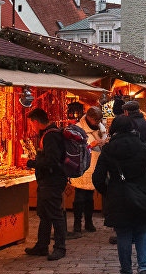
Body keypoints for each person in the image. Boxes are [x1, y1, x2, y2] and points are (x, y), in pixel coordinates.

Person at [94, 115, 146, 274]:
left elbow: (98, 177)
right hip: (141, 193)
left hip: (118, 196)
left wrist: (107, 192)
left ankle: (126, 273)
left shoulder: (109, 149)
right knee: (142, 231)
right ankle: (144, 267)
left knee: (123, 234)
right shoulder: (143, 147)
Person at [23, 107, 68, 261]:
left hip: (52, 180)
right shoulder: (51, 133)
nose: (31, 127)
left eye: (31, 124)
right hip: (47, 181)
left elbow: (52, 161)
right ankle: (42, 245)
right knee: (44, 214)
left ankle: (60, 247)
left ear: (36, 122)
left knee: (55, 214)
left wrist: (31, 162)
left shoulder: (50, 136)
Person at [68, 107, 107, 238]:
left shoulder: (100, 127)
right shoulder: (78, 128)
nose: (97, 122)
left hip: (94, 164)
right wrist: (91, 145)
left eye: (99, 120)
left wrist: (104, 142)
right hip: (82, 166)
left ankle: (89, 222)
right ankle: (77, 224)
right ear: (89, 117)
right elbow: (74, 148)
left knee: (90, 196)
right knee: (79, 197)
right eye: (95, 120)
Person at [124, 100, 146, 240]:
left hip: (134, 167)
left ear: (126, 112)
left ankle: (136, 233)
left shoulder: (129, 125)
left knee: (134, 201)